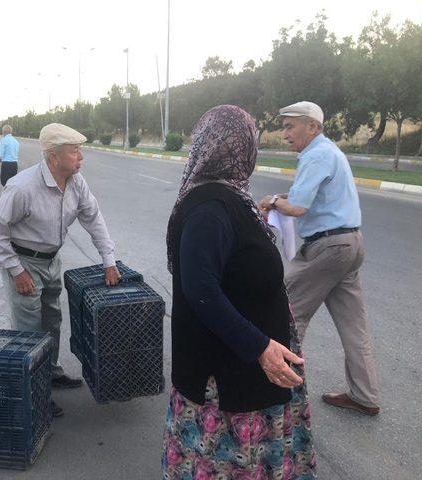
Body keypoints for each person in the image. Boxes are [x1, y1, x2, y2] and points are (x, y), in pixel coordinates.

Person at [163, 105, 316, 479]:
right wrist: (259, 347)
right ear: (240, 147)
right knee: (228, 465)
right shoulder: (211, 207)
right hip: (229, 377)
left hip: (244, 368)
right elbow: (199, 288)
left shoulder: (229, 198)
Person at [0, 122, 121, 418]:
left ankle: (50, 370)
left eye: (80, 150)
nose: (81, 157)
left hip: (50, 260)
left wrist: (108, 260)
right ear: (53, 157)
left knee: (51, 321)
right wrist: (15, 270)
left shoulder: (75, 182)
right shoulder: (23, 187)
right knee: (28, 330)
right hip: (24, 263)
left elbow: (93, 219)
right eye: (75, 151)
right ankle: (33, 394)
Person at [259, 101, 380, 416]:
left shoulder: (315, 155)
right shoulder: (329, 152)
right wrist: (279, 200)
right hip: (350, 244)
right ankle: (364, 395)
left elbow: (297, 208)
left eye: (290, 126)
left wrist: (272, 200)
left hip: (328, 248)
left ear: (312, 126)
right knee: (354, 326)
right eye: (283, 126)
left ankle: (274, 392)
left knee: (285, 312)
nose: (284, 134)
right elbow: (303, 198)